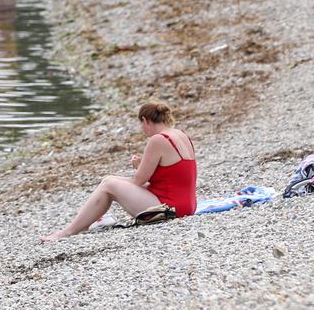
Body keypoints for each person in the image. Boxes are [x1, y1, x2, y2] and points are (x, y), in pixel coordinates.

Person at [41, 101, 197, 241]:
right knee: (108, 180)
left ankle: (69, 231)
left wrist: (138, 167)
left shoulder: (157, 139)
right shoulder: (180, 134)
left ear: (145, 121)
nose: (142, 129)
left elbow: (139, 180)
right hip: (187, 205)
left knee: (109, 184)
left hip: (170, 209)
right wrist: (141, 166)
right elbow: (172, 175)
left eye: (141, 125)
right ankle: (92, 220)